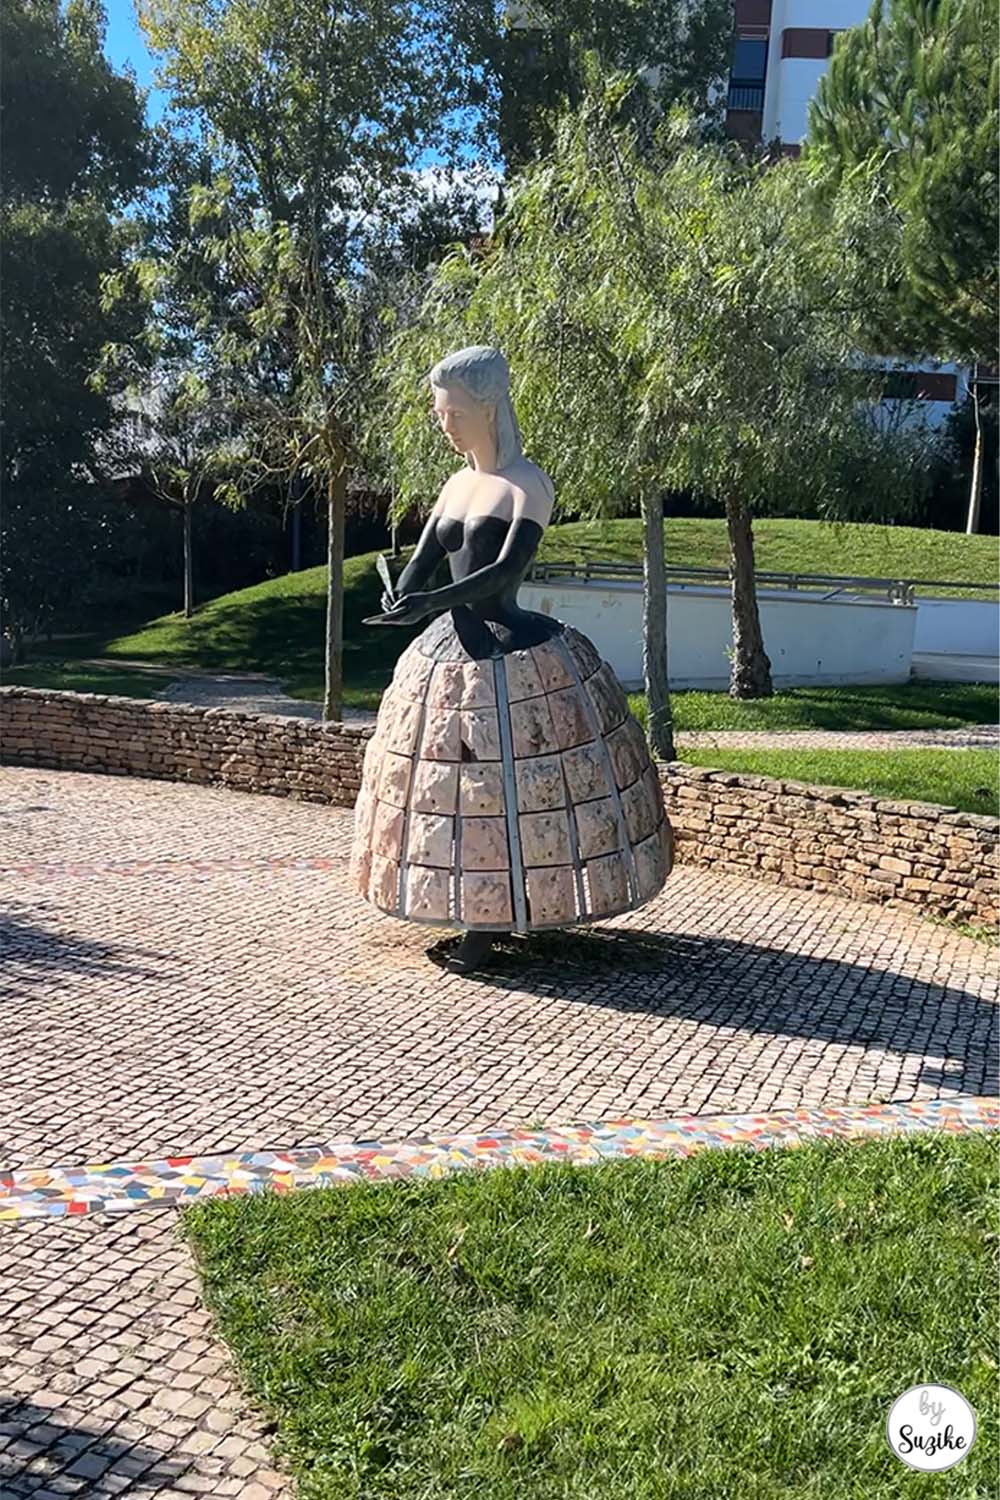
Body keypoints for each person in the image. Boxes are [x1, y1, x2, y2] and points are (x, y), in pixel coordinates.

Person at [350, 345, 672, 970]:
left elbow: (501, 576)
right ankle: (473, 904)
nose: (444, 425)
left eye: (454, 414)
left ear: (489, 409)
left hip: (513, 650)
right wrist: (404, 595)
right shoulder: (455, 485)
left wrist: (430, 600)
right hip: (449, 652)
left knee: (521, 787)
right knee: (462, 791)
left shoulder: (529, 485)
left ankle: (513, 907)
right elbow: (421, 564)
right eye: (441, 413)